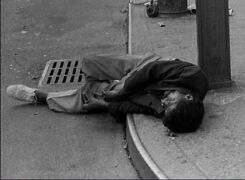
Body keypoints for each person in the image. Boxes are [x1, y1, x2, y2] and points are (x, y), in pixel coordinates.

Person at [6, 53, 208, 134]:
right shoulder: (194, 76)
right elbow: (151, 70)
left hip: (138, 89)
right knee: (90, 63)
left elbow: (133, 107)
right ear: (189, 96)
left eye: (164, 106)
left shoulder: (166, 110)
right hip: (146, 66)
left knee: (89, 100)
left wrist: (106, 106)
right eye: (170, 100)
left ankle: (40, 97)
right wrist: (122, 90)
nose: (164, 101)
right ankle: (106, 83)